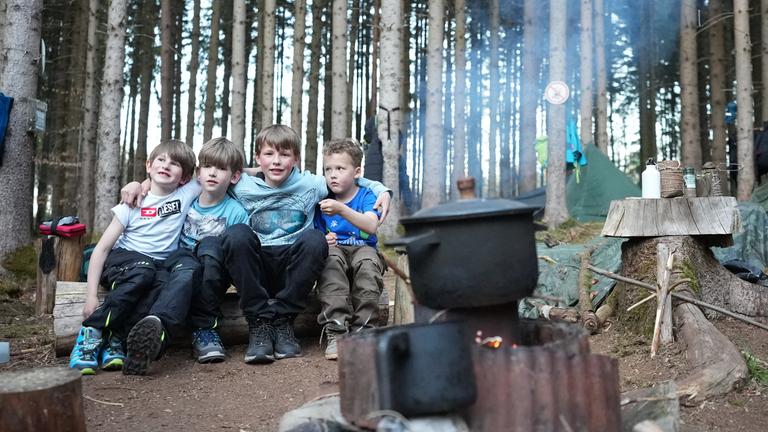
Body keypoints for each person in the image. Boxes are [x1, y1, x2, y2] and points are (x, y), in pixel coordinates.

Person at [220, 125, 391, 364]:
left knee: (314, 239)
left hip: (293, 267)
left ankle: (283, 321)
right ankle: (259, 322)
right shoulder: (241, 185)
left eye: (285, 155)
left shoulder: (312, 184)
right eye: (269, 154)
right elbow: (209, 178)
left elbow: (350, 177)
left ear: (296, 160)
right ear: (258, 158)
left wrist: (382, 189)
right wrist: (146, 186)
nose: (277, 162)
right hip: (257, 266)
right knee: (236, 234)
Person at [69, 140, 200, 376]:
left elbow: (225, 170)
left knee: (161, 283)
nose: (166, 165)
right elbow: (102, 249)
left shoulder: (186, 192)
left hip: (156, 265)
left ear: (184, 178)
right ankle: (91, 331)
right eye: (161, 160)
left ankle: (116, 340)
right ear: (149, 166)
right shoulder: (131, 204)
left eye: (175, 163)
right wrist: (90, 296)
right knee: (145, 271)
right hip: (124, 261)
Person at [315, 138, 386, 360]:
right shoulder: (321, 196)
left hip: (363, 248)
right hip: (336, 249)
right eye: (328, 169)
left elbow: (371, 225)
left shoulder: (366, 195)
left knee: (367, 265)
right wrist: (324, 239)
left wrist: (341, 210)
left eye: (340, 168)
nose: (332, 175)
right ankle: (336, 332)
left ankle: (364, 331)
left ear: (357, 172)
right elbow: (315, 230)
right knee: (330, 262)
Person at [180, 137, 249, 363]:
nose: (212, 173)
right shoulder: (186, 197)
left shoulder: (236, 211)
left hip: (214, 272)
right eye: (207, 166)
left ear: (235, 177)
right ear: (198, 173)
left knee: (210, 244)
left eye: (221, 169)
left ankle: (205, 330)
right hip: (181, 268)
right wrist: (139, 184)